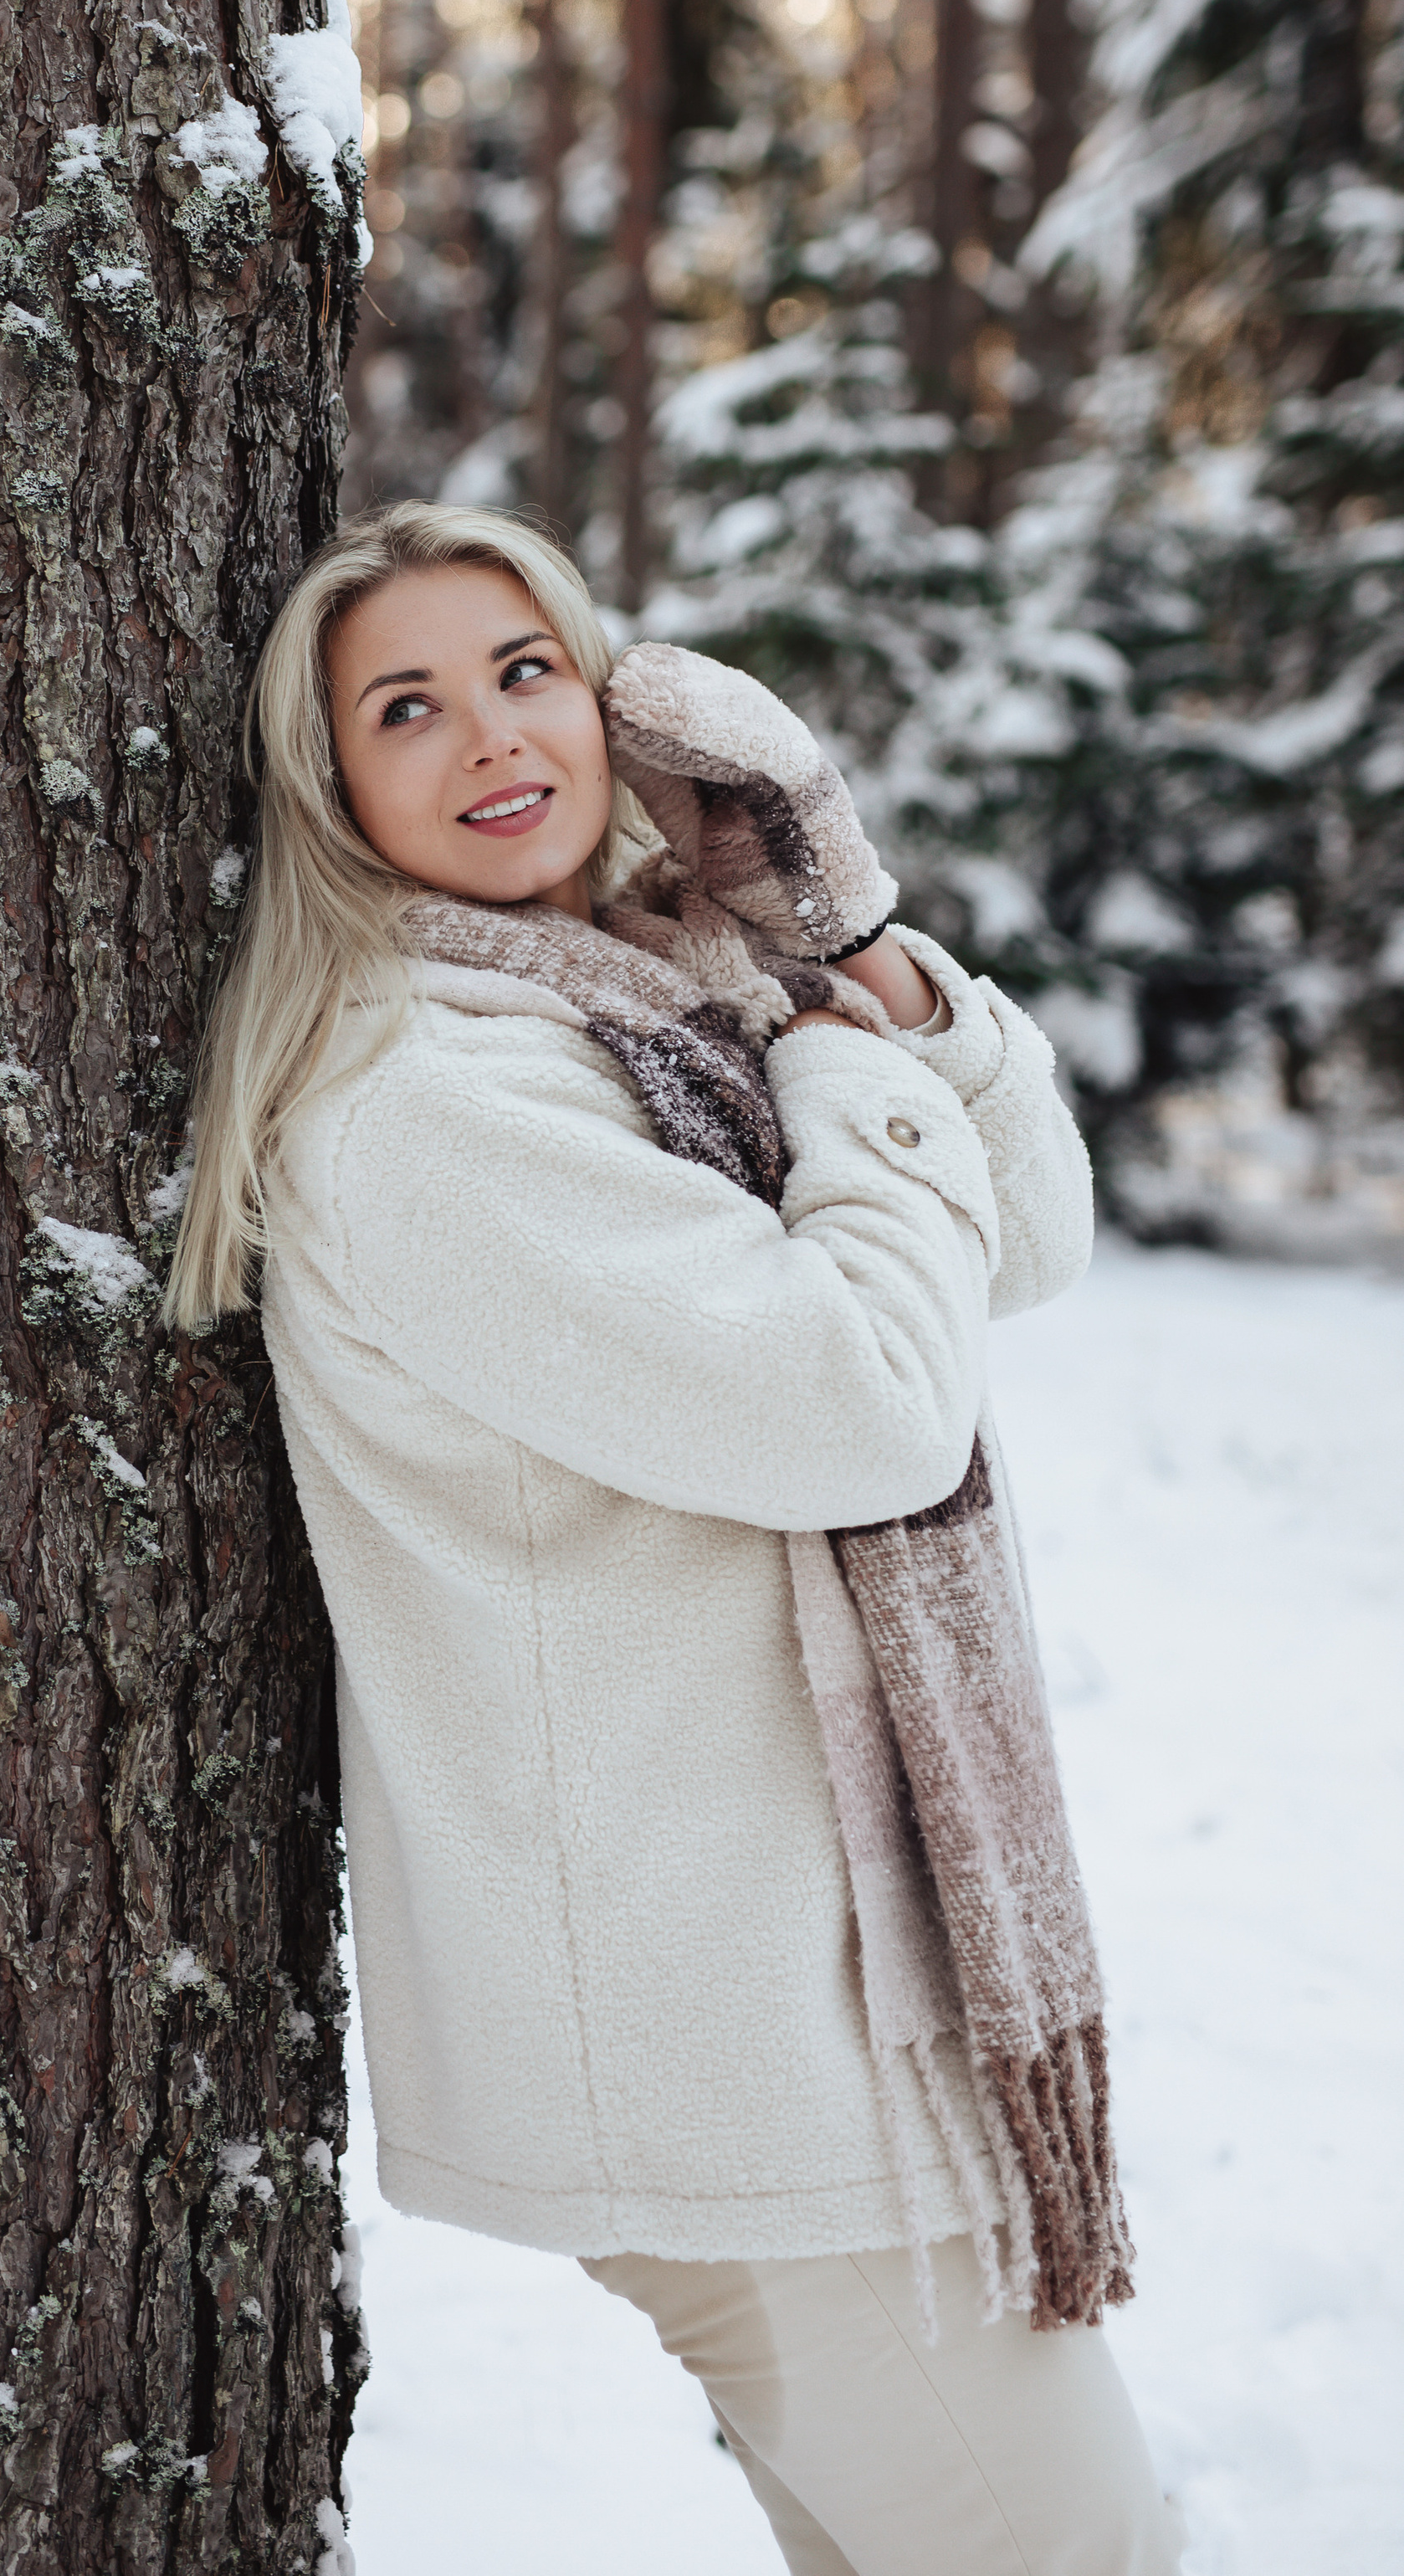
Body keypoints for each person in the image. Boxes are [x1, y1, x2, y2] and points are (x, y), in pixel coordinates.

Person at [166, 501, 1182, 2576]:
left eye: (523, 672)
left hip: (807, 2027)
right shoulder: (426, 1103)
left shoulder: (646, 1001)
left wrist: (850, 957)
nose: (488, 738)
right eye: (405, 709)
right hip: (729, 2057)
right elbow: (865, 1406)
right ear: (331, 789)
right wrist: (826, 1054)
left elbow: (1029, 1244)